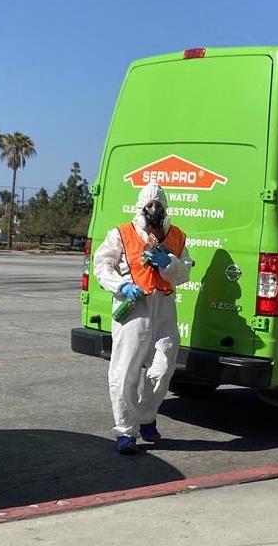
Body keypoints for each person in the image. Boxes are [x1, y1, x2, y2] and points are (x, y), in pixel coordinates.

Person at [93, 182, 193, 454]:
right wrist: (120, 285)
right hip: (134, 307)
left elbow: (185, 273)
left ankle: (147, 417)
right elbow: (101, 265)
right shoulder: (122, 234)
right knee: (125, 371)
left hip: (164, 307)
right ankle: (126, 431)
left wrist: (169, 263)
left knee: (163, 367)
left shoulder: (177, 236)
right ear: (141, 206)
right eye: (149, 205)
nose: (154, 209)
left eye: (158, 205)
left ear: (165, 207)